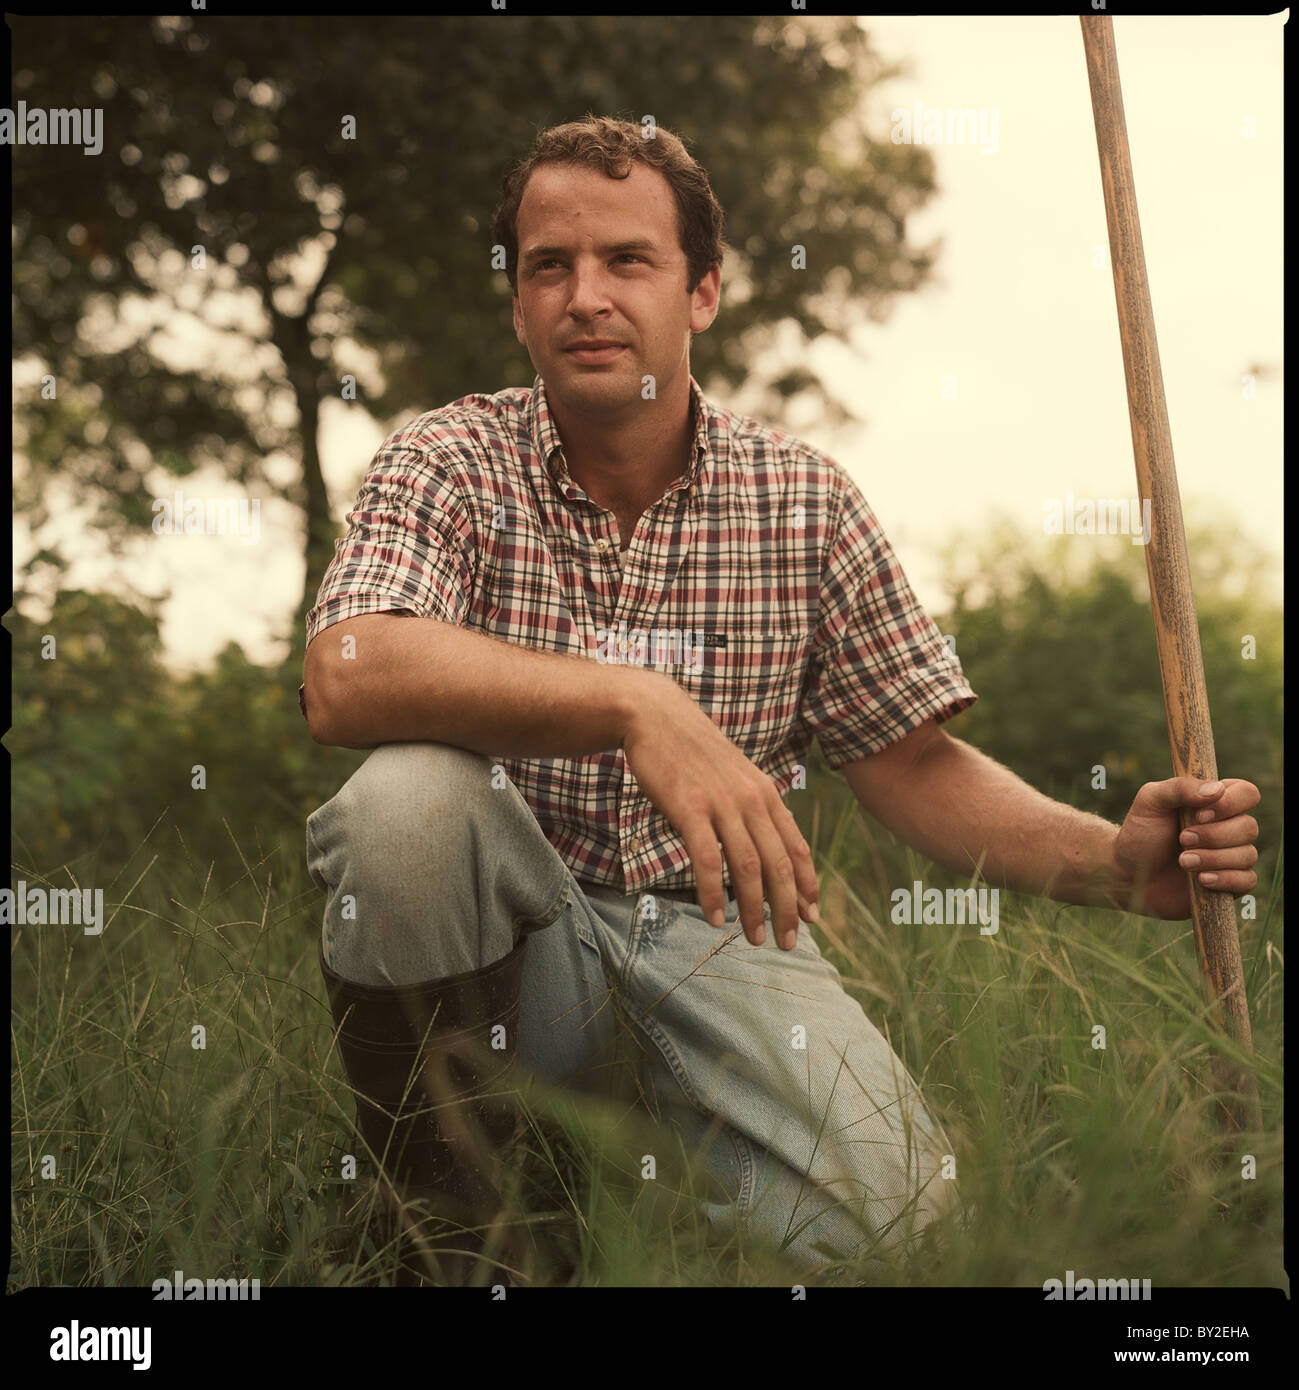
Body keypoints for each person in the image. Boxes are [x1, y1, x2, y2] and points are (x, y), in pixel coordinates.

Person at [300, 115, 1262, 1285]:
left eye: (627, 261)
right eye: (548, 266)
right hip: (514, 956)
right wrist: (634, 702)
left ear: (702, 292)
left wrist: (1112, 863)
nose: (583, 296)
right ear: (517, 305)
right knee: (404, 804)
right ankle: (449, 1230)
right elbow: (347, 671)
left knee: (900, 1231)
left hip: (720, 946)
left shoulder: (803, 500)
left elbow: (911, 765)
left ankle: (648, 1176)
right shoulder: (447, 458)